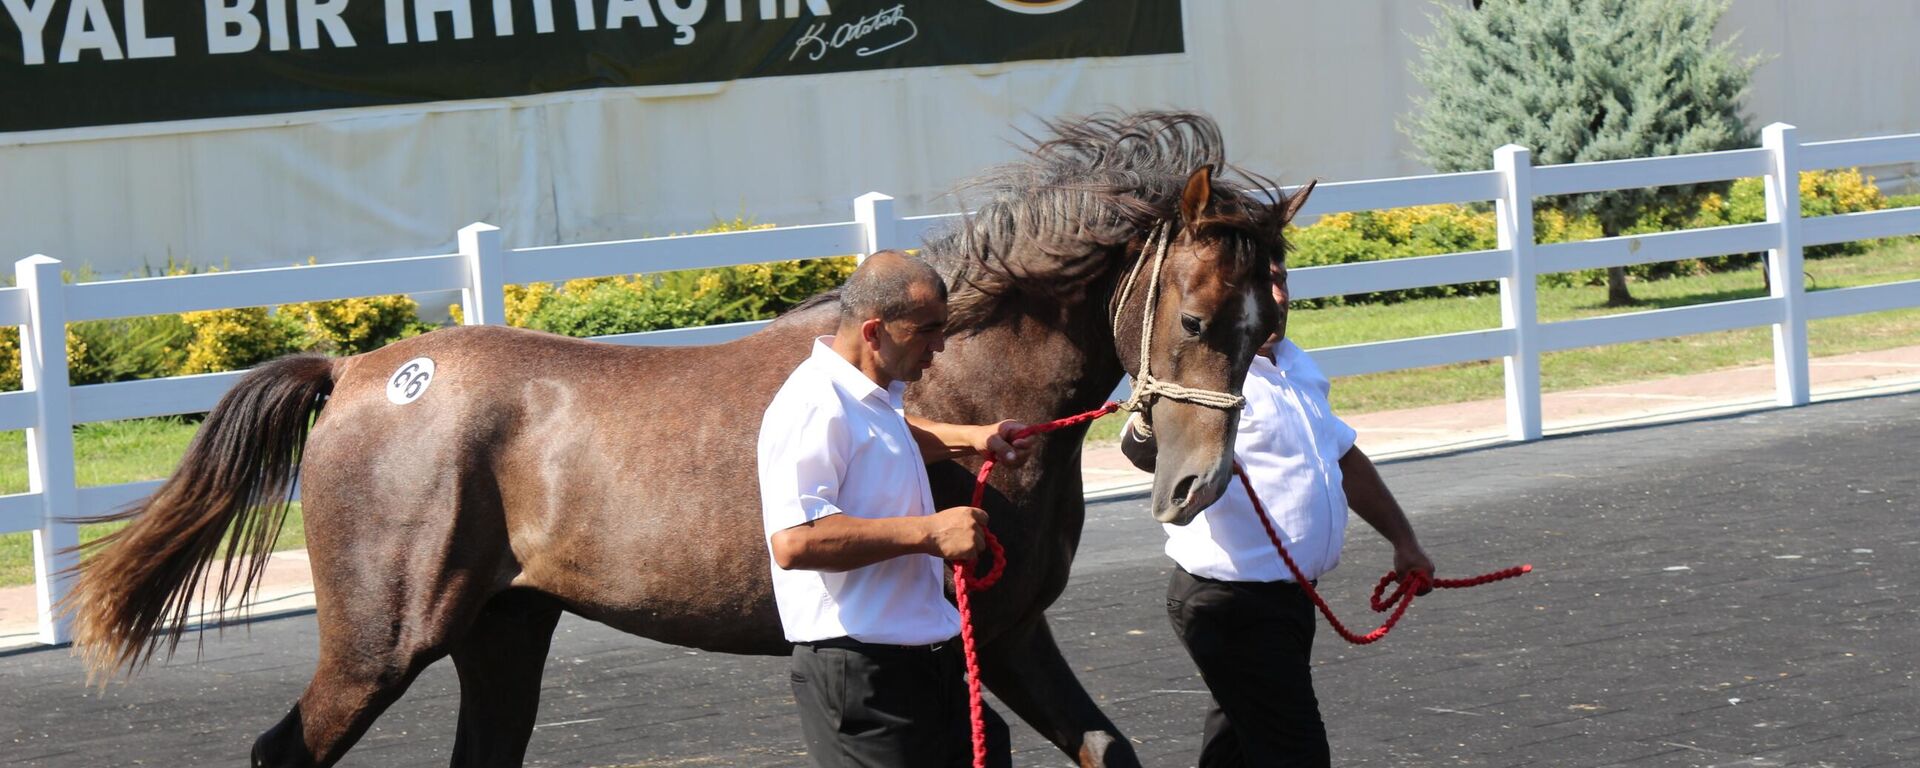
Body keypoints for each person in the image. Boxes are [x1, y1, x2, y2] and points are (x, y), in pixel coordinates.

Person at [1119, 258, 1437, 768]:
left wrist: (1404, 541)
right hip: (1230, 604)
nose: (1279, 297)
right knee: (1295, 752)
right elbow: (1142, 452)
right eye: (1261, 284)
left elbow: (1343, 456)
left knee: (1239, 745)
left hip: (1288, 600)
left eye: (1281, 280)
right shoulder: (1210, 371)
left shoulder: (1296, 363)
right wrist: (1146, 420)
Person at [757, 250, 1032, 768]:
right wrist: (928, 533)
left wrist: (975, 438)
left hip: (922, 667)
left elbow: (890, 438)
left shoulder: (866, 396)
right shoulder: (812, 404)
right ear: (874, 331)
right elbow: (794, 542)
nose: (940, 346)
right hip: (862, 677)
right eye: (927, 330)